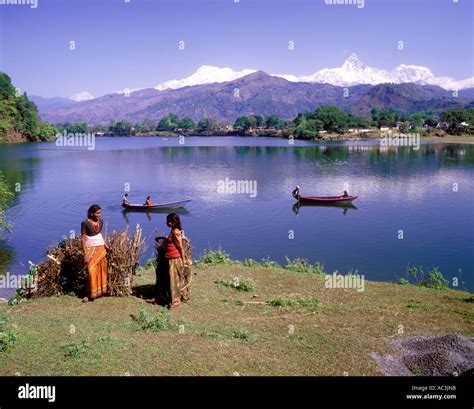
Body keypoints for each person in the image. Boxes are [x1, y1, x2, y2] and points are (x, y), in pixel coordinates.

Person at [155, 213, 190, 309]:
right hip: (171, 259)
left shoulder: (175, 232)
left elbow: (180, 247)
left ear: (173, 222)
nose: (166, 222)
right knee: (171, 280)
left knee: (175, 281)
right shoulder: (172, 231)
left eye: (168, 221)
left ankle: (176, 301)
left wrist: (183, 260)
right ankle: (172, 299)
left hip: (175, 260)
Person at [81, 204, 108, 302]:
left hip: (100, 248)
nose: (99, 215)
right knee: (91, 271)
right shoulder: (85, 223)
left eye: (100, 213)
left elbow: (99, 234)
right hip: (90, 249)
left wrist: (104, 243)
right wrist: (85, 254)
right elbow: (83, 238)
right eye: (97, 213)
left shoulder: (101, 222)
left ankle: (100, 292)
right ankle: (90, 293)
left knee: (101, 270)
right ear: (92, 213)